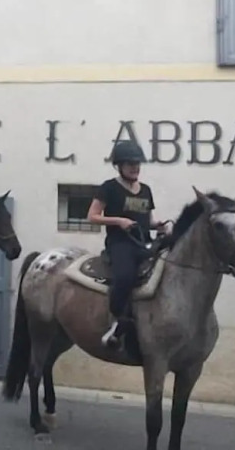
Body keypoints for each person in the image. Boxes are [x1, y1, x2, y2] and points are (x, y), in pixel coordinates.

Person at [87, 140, 170, 348]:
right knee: (125, 276)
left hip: (143, 243)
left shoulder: (146, 190)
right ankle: (116, 322)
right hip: (120, 243)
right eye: (130, 163)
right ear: (119, 165)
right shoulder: (109, 188)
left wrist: (157, 225)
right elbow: (92, 216)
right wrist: (118, 221)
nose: (135, 167)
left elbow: (145, 220)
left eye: (137, 163)